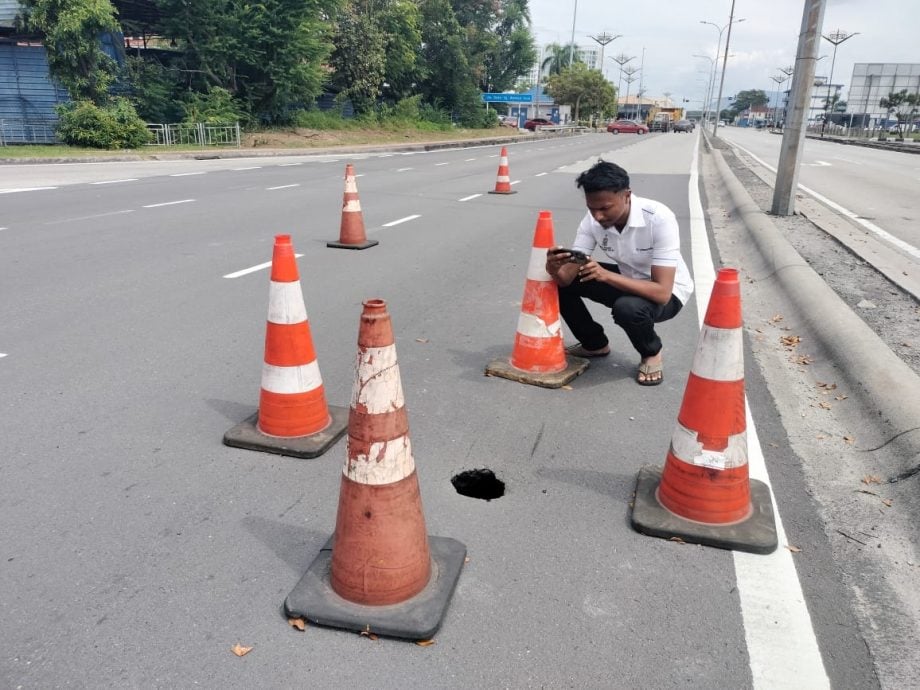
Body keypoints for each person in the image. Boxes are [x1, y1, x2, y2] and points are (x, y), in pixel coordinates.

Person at [545, 160, 694, 386]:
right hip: (627, 278)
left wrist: (606, 276)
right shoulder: (591, 221)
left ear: (627, 195)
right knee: (555, 284)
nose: (597, 216)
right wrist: (554, 269)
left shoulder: (658, 218)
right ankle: (594, 343)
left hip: (668, 291)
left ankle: (651, 352)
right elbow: (566, 280)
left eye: (605, 208)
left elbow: (662, 293)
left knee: (627, 308)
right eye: (591, 208)